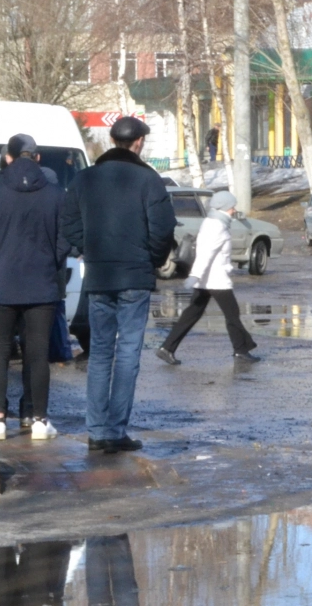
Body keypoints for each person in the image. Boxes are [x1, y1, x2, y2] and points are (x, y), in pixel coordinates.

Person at [62, 117, 177, 454]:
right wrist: (152, 259)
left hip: (99, 276)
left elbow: (67, 223)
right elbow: (162, 229)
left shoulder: (84, 179)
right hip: (134, 276)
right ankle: (113, 430)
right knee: (127, 353)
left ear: (112, 140)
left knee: (99, 353)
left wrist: (88, 249)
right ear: (138, 142)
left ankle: (97, 431)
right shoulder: (148, 180)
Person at [0, 135, 69, 441]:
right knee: (38, 354)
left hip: (1, 284)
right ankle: (39, 420)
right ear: (37, 158)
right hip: (42, 285)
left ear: (9, 158)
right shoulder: (55, 194)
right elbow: (63, 241)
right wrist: (48, 264)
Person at [156, 191, 259, 365]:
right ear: (224, 208)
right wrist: (195, 275)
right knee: (232, 314)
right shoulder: (216, 226)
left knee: (192, 313)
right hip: (215, 280)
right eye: (232, 207)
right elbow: (205, 254)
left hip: (208, 278)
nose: (234, 210)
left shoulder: (214, 222)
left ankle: (167, 348)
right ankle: (241, 349)